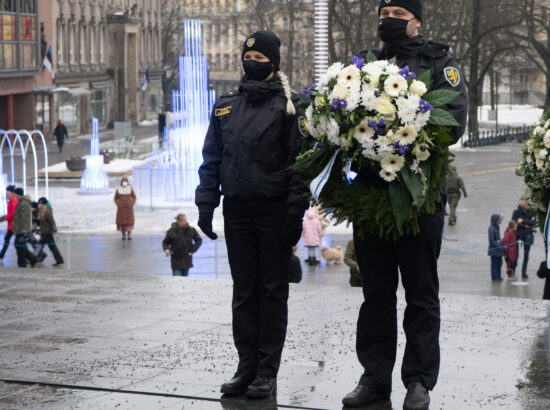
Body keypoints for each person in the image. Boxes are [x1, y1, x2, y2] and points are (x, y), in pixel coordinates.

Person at [344, 1, 468, 409]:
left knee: (420, 294)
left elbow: (454, 121)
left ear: (416, 19)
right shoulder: (365, 65)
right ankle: (374, 378)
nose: (388, 20)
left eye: (398, 12)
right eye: (384, 12)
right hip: (371, 197)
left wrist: (404, 132)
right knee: (376, 294)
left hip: (419, 196)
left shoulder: (441, 63)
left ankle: (418, 381)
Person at [195, 30, 308, 399]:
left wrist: (294, 212)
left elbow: (298, 167)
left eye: (260, 58)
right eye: (248, 57)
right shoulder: (226, 104)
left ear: (273, 63)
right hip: (238, 210)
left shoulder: (290, 107)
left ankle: (266, 371)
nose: (252, 62)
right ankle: (246, 366)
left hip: (273, 212)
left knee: (272, 292)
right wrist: (206, 204)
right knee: (244, 291)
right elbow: (212, 157)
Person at [12, 188, 38, 268]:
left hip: (22, 230)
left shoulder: (23, 204)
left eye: (15, 194)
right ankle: (32, 259)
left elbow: (24, 219)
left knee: (20, 246)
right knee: (19, 245)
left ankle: (22, 263)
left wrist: (24, 231)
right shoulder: (21, 203)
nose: (14, 195)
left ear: (17, 194)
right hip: (20, 230)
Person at [36, 198, 64, 266]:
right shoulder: (42, 210)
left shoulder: (47, 211)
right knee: (52, 247)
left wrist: (54, 229)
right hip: (46, 231)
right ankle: (59, 260)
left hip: (47, 232)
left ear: (42, 203)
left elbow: (51, 221)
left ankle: (33, 258)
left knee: (39, 246)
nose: (39, 205)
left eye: (39, 203)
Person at [512, 199, 536, 279]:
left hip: (528, 236)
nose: (521, 202)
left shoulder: (531, 212)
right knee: (516, 254)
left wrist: (522, 220)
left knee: (526, 254)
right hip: (518, 235)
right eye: (521, 201)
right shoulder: (516, 212)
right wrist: (525, 225)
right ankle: (513, 268)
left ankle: (524, 270)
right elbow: (514, 222)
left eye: (523, 201)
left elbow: (533, 223)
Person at [0, 185, 18, 260]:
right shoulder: (10, 201)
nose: (7, 194)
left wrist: (4, 218)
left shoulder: (14, 201)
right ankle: (2, 255)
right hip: (11, 225)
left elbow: (12, 214)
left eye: (8, 192)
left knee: (19, 242)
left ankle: (2, 255)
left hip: (14, 225)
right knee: (9, 240)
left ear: (12, 193)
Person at [488, 214, 504, 282]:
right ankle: (495, 278)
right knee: (494, 264)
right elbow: (492, 240)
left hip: (499, 250)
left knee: (499, 263)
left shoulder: (497, 227)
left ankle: (498, 276)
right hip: (494, 250)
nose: (500, 221)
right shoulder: (491, 228)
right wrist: (498, 245)